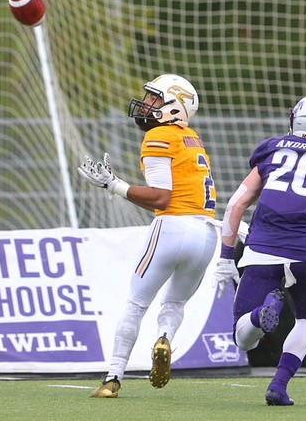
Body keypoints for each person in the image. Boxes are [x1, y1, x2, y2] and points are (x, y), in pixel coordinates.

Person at [212, 94, 306, 406]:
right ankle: (278, 386)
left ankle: (259, 315)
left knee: (243, 337)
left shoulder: (272, 148)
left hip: (261, 248)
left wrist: (226, 257)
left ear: (297, 118)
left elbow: (235, 206)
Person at [78, 74, 217, 397]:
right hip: (206, 233)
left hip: (173, 226)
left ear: (174, 107)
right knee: (175, 302)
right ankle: (164, 337)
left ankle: (113, 378)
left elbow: (161, 197)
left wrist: (114, 186)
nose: (147, 104)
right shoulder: (192, 138)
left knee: (136, 303)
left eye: (155, 99)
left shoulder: (159, 136)